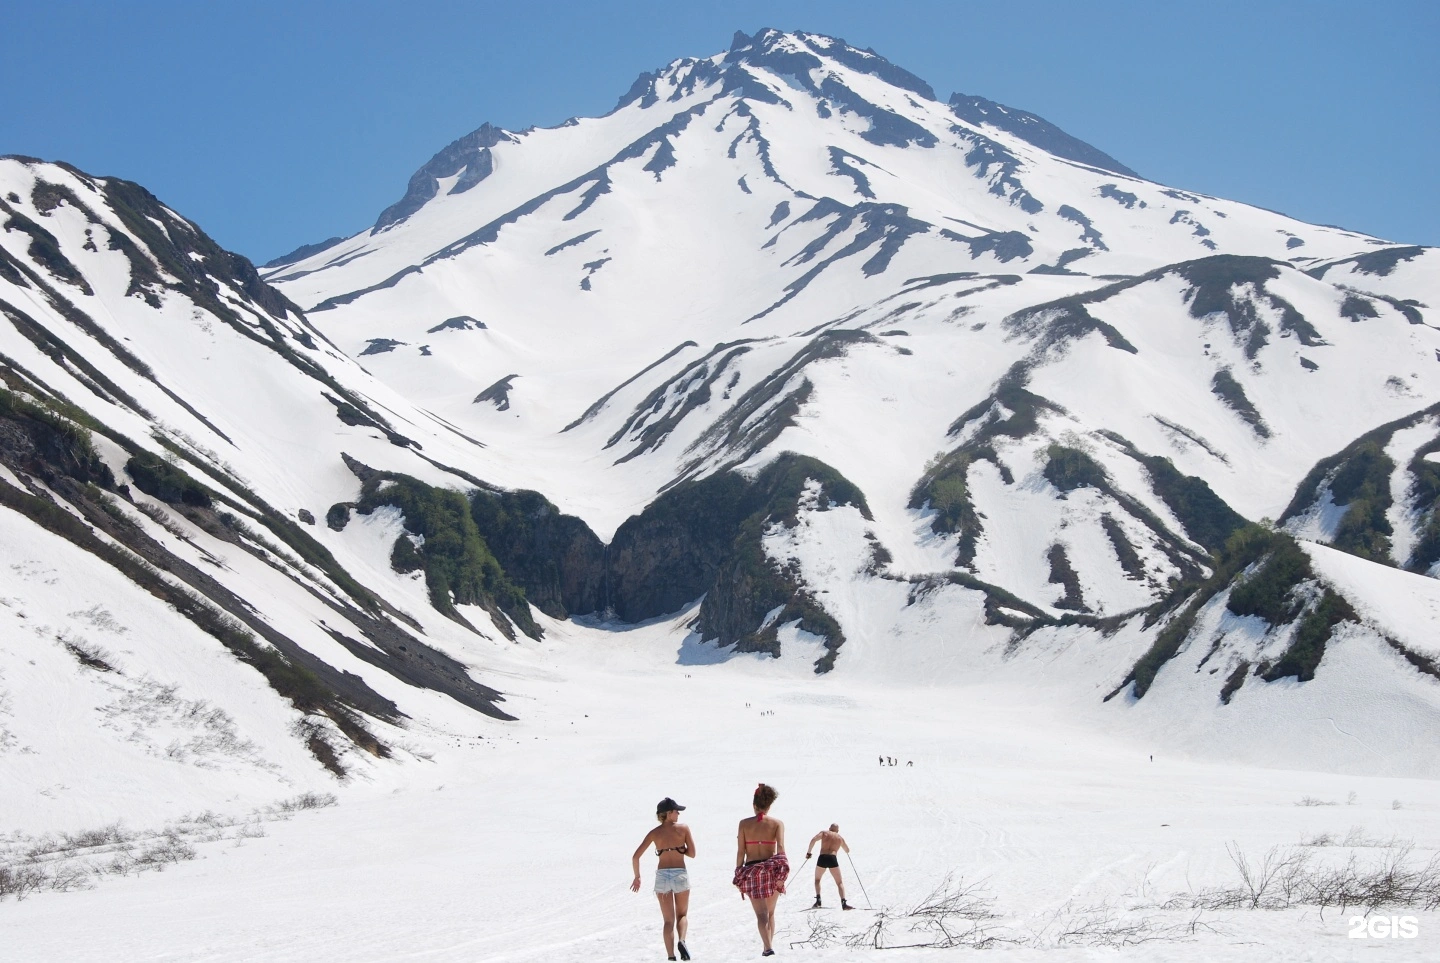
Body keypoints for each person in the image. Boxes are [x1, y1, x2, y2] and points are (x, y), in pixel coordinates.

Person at [631, 797, 696, 961]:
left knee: (668, 921)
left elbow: (636, 857)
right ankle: (682, 940)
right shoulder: (684, 829)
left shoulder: (654, 833)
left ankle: (671, 956)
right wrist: (681, 849)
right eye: (676, 811)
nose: (678, 814)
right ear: (668, 813)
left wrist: (637, 876)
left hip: (662, 877)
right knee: (682, 915)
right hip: (680, 873)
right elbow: (693, 854)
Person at [732, 783, 788, 956]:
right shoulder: (777, 824)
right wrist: (782, 874)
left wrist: (738, 874)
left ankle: (767, 947)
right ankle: (768, 946)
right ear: (769, 805)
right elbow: (781, 849)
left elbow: (741, 851)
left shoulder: (743, 824)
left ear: (754, 804)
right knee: (770, 913)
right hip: (771, 869)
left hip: (751, 871)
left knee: (761, 914)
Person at [806, 823, 853, 910]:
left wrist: (809, 852)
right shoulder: (839, 838)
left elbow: (813, 840)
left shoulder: (824, 833)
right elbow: (847, 850)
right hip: (832, 858)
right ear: (837, 830)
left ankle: (818, 900)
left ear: (829, 828)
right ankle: (843, 903)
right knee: (839, 883)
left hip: (822, 858)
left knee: (817, 880)